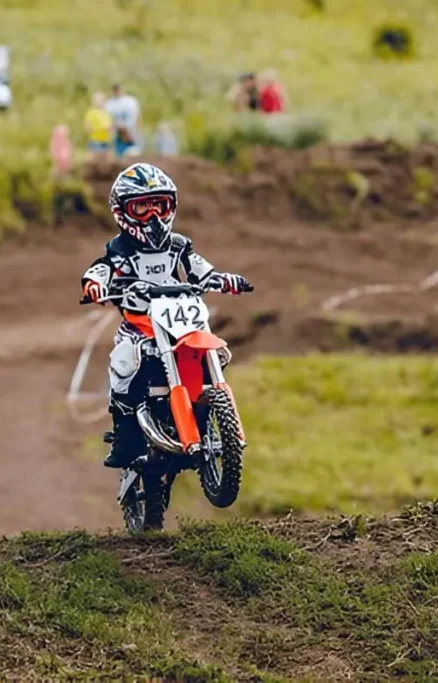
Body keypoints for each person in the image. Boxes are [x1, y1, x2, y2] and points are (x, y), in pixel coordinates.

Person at [79, 163, 253, 468]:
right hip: (141, 325)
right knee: (123, 364)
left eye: (158, 206)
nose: (153, 217)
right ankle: (125, 441)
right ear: (123, 212)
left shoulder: (178, 246)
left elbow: (200, 267)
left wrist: (223, 279)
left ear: (170, 206)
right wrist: (95, 284)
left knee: (216, 352)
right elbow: (102, 268)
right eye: (142, 208)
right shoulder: (119, 249)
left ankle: (213, 422)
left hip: (180, 320)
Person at [105, 83, 142, 158]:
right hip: (118, 132)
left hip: (131, 130)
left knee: (134, 153)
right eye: (115, 90)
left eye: (118, 89)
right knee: (120, 155)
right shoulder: (110, 103)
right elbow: (108, 119)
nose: (117, 91)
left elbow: (137, 115)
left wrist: (139, 129)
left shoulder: (130, 101)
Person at [84, 91, 113, 160]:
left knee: (106, 162)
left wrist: (109, 129)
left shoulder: (106, 113)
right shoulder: (91, 113)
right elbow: (88, 127)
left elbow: (110, 127)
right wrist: (100, 128)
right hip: (95, 140)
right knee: (93, 161)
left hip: (106, 140)